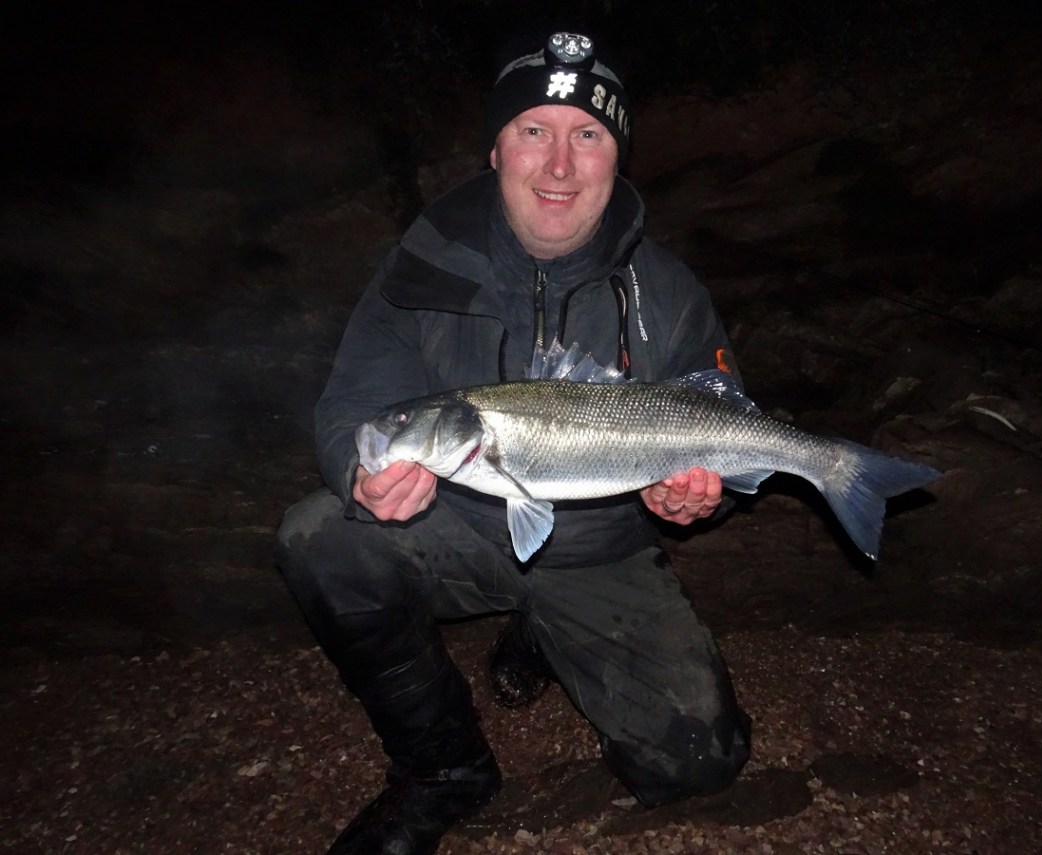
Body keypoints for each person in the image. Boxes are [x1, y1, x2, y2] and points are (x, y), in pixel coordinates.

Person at [275, 30, 752, 855]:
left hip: (602, 549)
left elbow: (727, 420)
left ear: (617, 158)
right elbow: (354, 402)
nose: (559, 166)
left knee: (699, 763)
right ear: (496, 148)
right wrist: (360, 466)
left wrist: (709, 491)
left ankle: (544, 627)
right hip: (457, 524)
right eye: (534, 130)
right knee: (320, 539)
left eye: (588, 135)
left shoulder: (667, 291)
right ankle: (443, 768)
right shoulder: (424, 265)